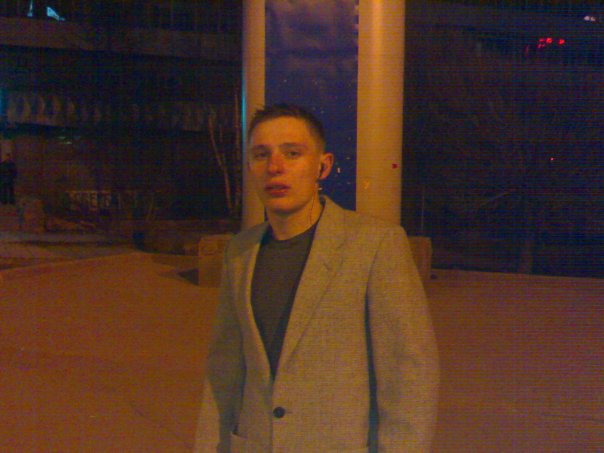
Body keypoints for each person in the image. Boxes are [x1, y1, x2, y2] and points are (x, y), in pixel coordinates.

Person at [195, 104, 439, 452]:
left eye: (292, 153)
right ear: (250, 166)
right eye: (261, 155)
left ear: (322, 166)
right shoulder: (240, 252)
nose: (275, 167)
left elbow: (408, 375)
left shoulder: (375, 246)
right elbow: (224, 371)